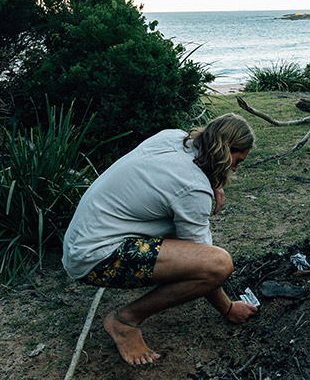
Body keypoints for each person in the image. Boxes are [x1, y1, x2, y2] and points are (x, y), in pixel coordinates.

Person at [61, 113, 258, 365]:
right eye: (236, 161)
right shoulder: (192, 187)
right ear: (224, 150)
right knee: (218, 264)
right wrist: (227, 307)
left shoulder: (173, 137)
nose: (233, 169)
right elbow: (205, 263)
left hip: (82, 239)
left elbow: (172, 182)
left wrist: (214, 183)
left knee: (189, 240)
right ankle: (126, 320)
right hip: (96, 257)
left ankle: (128, 317)